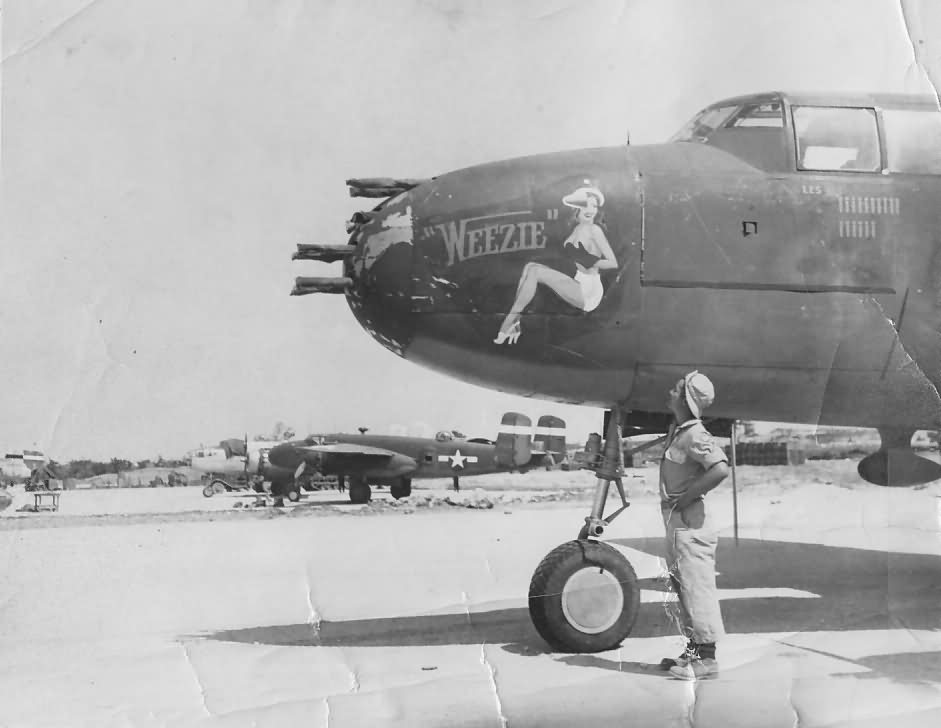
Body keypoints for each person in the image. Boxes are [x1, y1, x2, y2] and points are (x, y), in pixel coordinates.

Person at [658, 371, 730, 680]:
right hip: (678, 523)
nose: (670, 391)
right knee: (683, 589)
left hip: (691, 524)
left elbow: (720, 468)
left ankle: (708, 660)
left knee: (697, 588)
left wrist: (686, 498)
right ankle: (691, 654)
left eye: (676, 389)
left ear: (687, 399)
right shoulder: (680, 431)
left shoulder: (695, 434)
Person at [493, 184, 618, 344]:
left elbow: (613, 263)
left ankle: (507, 322)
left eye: (593, 205)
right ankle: (515, 321)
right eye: (584, 205)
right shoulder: (578, 229)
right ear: (576, 209)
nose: (589, 210)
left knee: (535, 273)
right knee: (530, 267)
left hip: (589, 291)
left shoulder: (594, 230)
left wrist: (591, 262)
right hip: (579, 282)